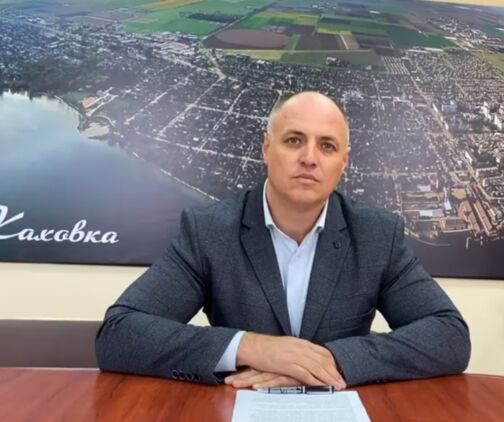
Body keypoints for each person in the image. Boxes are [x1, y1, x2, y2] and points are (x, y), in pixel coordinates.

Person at [95, 91, 471, 390]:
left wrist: (329, 361)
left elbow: (450, 337)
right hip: (238, 408)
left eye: (327, 146)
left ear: (343, 162)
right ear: (266, 148)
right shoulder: (210, 231)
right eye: (294, 140)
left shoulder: (376, 234)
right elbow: (118, 334)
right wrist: (252, 347)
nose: (309, 158)